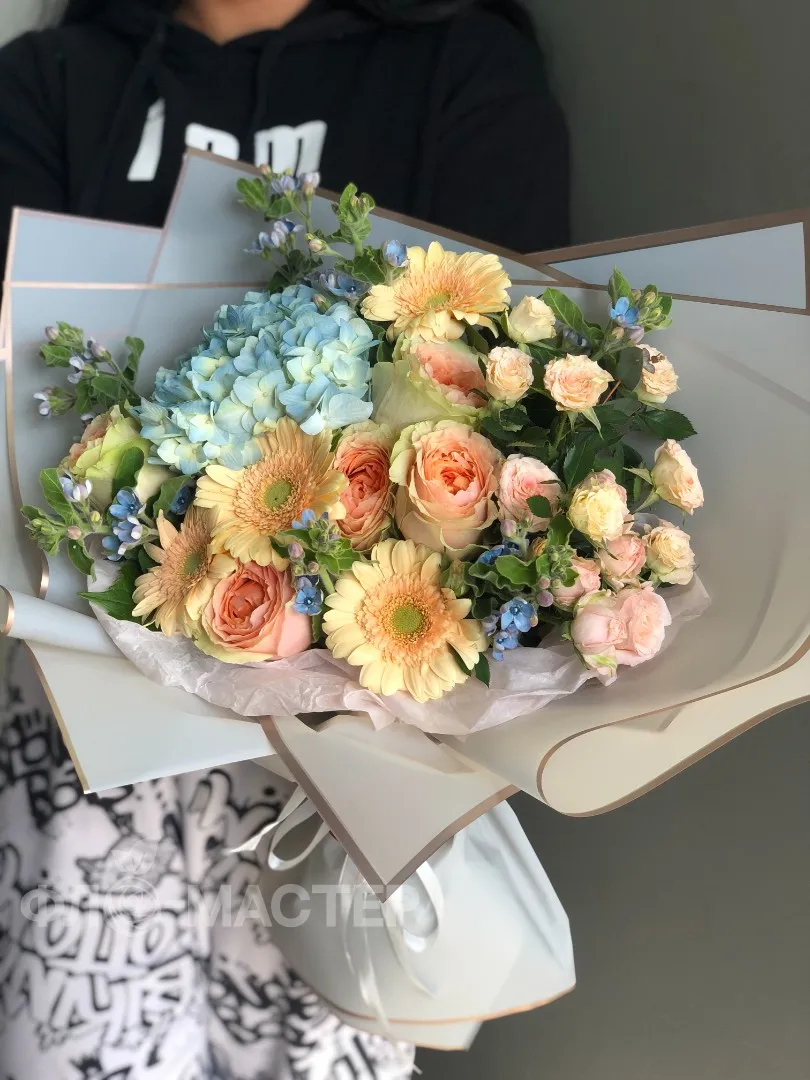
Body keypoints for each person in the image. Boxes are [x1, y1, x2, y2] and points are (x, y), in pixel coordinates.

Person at [0, 2, 569, 1078]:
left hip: (355, 733)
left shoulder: (458, 68)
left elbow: (512, 400)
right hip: (87, 719)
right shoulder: (51, 82)